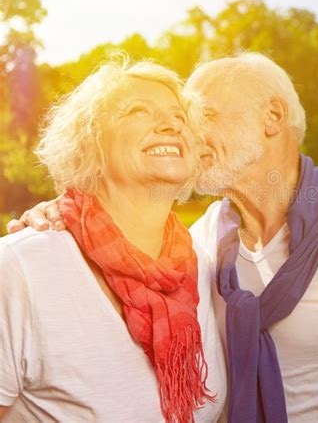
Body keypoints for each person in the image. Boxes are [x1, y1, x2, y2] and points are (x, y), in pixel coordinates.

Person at [8, 53, 318, 423]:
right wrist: (62, 213)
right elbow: (119, 240)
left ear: (272, 116)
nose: (190, 132)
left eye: (201, 114)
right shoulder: (204, 240)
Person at [0, 59, 226, 422]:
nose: (170, 124)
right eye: (138, 110)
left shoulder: (202, 264)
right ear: (90, 144)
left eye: (180, 117)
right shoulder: (19, 269)